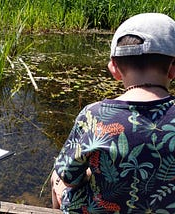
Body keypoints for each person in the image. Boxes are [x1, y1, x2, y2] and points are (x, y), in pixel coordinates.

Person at [51, 13, 175, 213]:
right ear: (172, 69)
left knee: (57, 178)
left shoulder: (94, 115)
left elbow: (69, 176)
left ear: (114, 68)